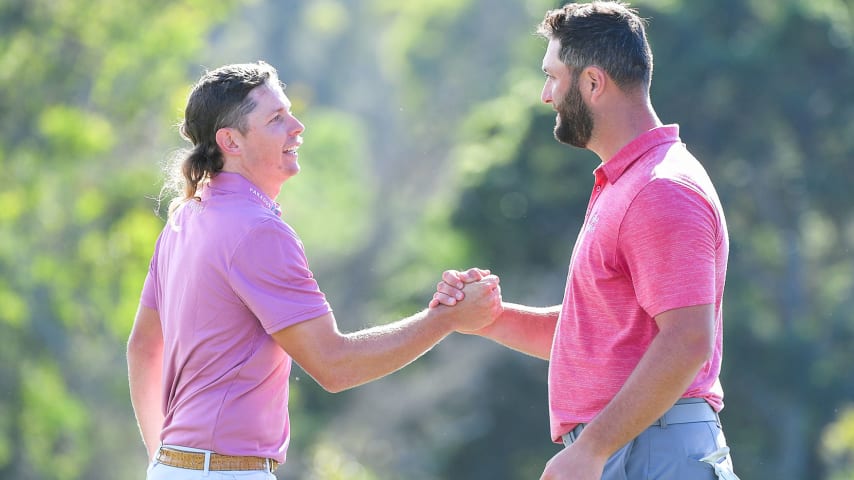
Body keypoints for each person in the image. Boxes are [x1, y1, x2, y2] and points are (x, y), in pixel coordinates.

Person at [126, 61, 502, 479]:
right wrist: (446, 318)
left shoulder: (184, 219)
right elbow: (335, 366)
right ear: (230, 141)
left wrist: (162, 458)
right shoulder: (258, 231)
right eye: (276, 119)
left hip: (175, 468)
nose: (297, 126)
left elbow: (143, 347)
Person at [431, 3, 740, 479]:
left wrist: (592, 448)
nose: (545, 95)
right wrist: (488, 319)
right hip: (637, 444)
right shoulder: (628, 183)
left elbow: (689, 339)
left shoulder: (661, 189)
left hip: (654, 449)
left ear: (594, 83)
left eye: (553, 77)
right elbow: (599, 338)